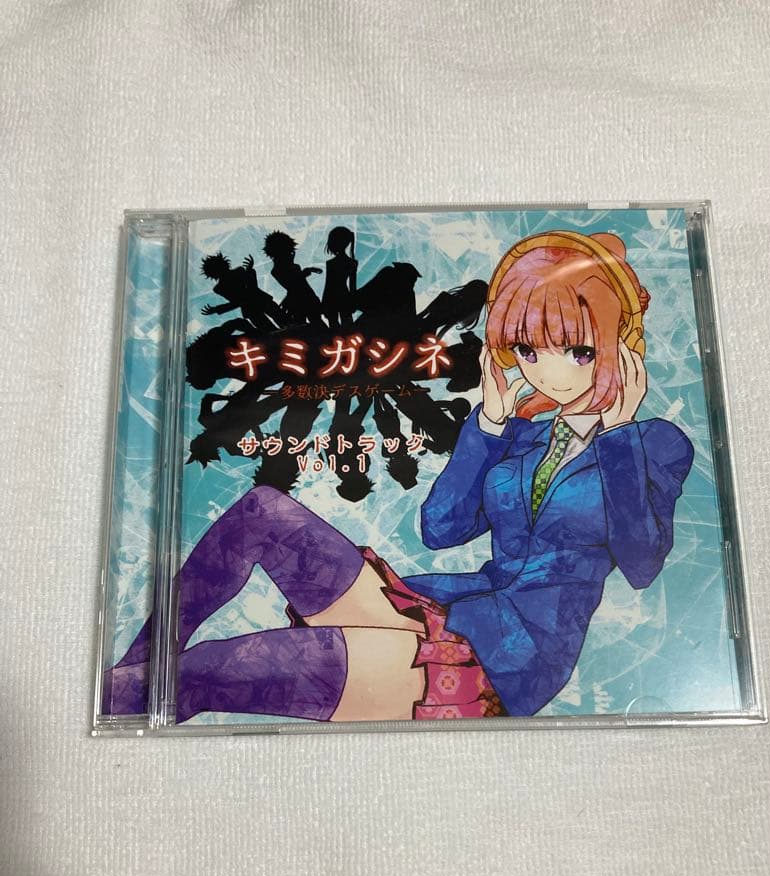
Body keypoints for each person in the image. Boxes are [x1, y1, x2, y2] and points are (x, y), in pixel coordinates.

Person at [103, 231, 693, 724]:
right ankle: (125, 683)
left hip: (511, 660)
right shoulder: (520, 435)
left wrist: (617, 437)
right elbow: (441, 528)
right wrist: (489, 424)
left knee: (205, 671)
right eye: (529, 352)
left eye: (578, 352)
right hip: (444, 610)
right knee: (261, 510)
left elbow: (642, 563)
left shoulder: (653, 444)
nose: (549, 374)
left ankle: (116, 701)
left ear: (621, 345)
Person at [321, 225, 357, 330]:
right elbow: (352, 286)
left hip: (331, 298)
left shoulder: (331, 263)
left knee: (334, 329)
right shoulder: (352, 262)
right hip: (345, 297)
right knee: (348, 328)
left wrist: (324, 303)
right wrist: (353, 301)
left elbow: (328, 284)